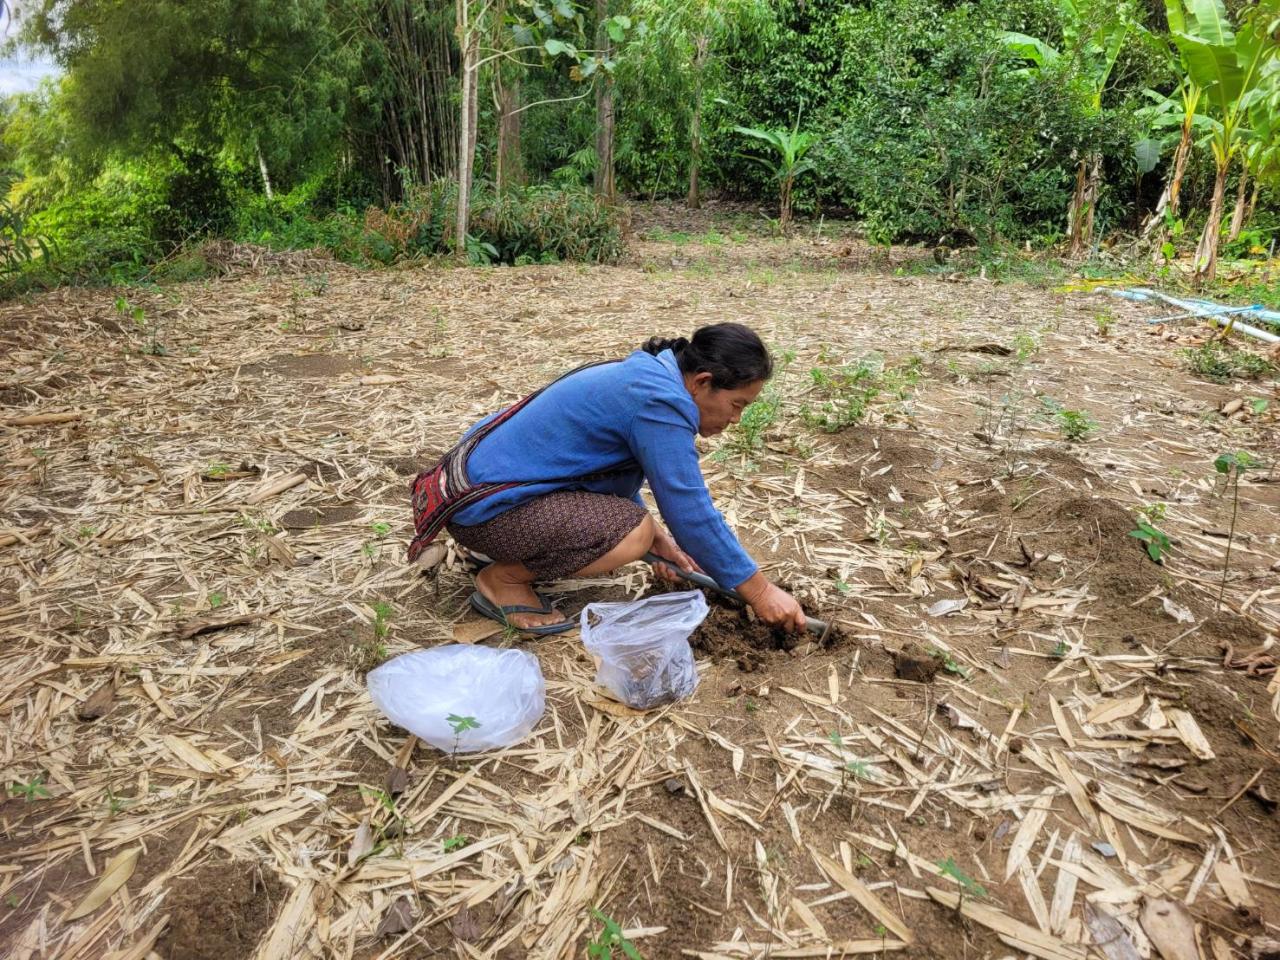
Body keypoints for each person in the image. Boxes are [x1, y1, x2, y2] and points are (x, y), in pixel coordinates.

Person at [408, 322, 806, 635]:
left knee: (643, 531)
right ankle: (504, 580)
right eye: (737, 404)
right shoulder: (660, 403)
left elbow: (610, 474)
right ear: (702, 382)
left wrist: (662, 542)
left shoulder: (649, 375)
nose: (736, 419)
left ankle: (504, 550)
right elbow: (690, 510)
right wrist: (759, 591)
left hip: (465, 497)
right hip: (486, 512)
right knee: (633, 533)